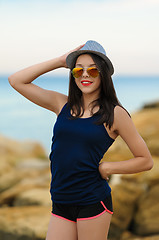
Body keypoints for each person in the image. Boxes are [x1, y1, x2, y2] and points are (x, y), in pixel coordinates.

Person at [8, 40, 153, 240]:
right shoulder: (62, 104)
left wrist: (108, 168)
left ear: (103, 74)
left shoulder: (115, 114)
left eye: (93, 71)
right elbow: (16, 80)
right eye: (78, 70)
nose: (85, 75)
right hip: (60, 199)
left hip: (92, 200)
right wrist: (60, 61)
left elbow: (145, 160)